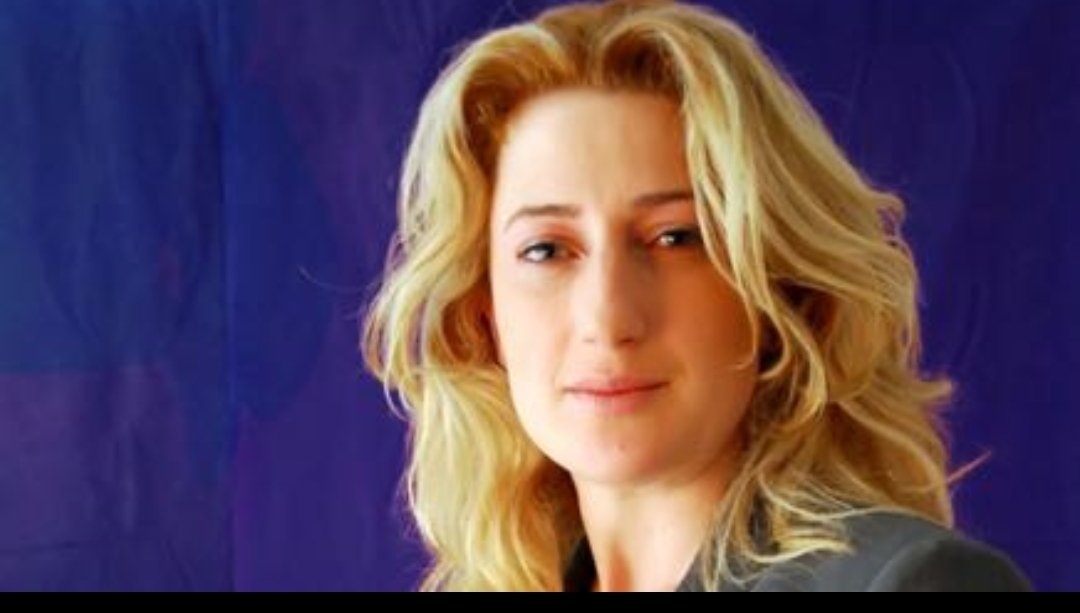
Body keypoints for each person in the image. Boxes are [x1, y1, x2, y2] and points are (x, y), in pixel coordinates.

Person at [361, 0, 1031, 591]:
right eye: (546, 250)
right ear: (482, 318)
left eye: (676, 237)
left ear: (778, 292)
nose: (608, 317)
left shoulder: (910, 583)